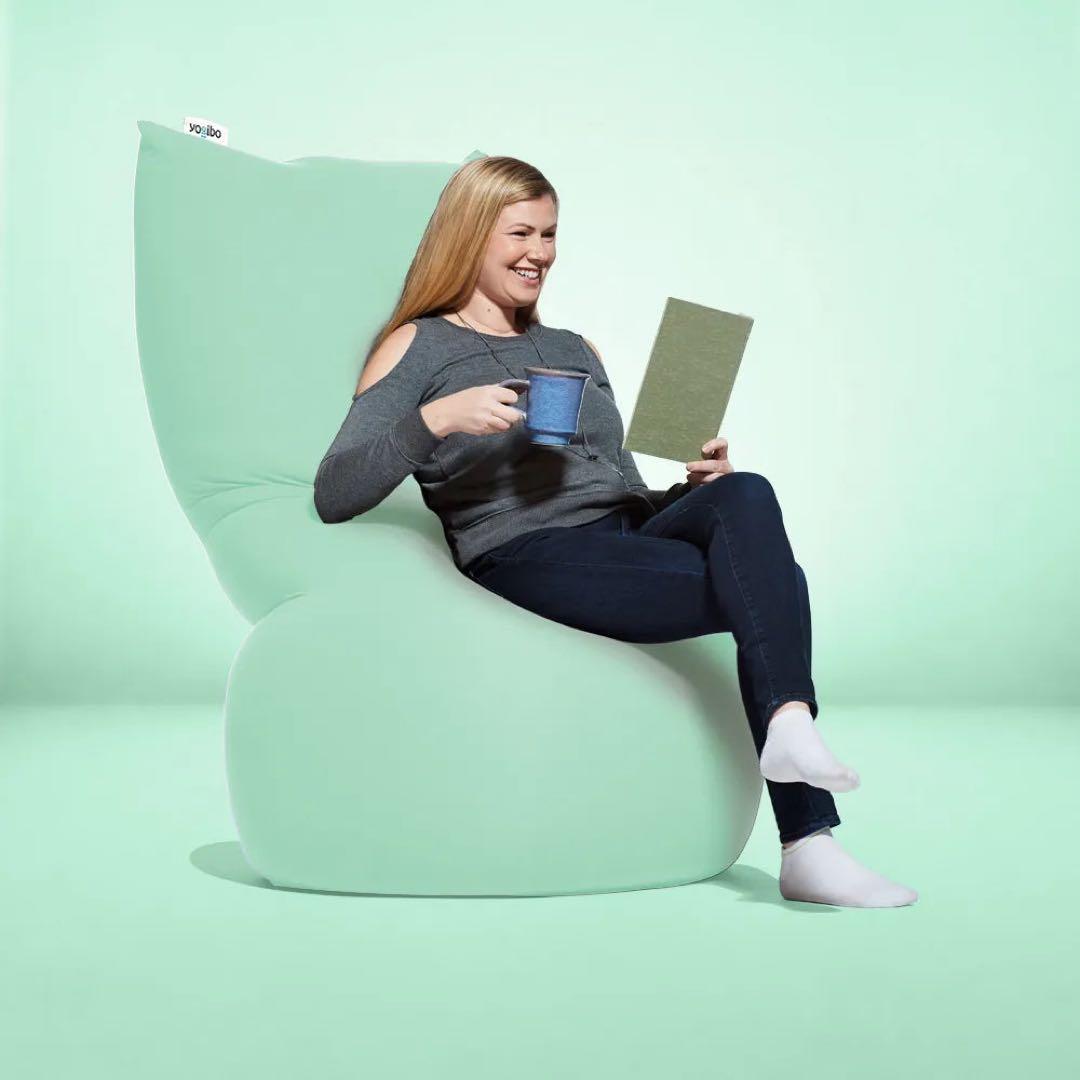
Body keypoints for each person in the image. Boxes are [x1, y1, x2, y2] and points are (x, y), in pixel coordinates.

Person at [314, 155, 918, 909]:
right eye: (521, 233)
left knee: (746, 490)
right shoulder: (418, 346)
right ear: (470, 235)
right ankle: (809, 840)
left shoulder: (576, 349)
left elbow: (618, 481)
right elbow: (335, 491)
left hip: (628, 527)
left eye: (550, 234)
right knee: (776, 586)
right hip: (526, 549)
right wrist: (436, 418)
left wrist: (695, 489)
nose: (540, 252)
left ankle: (790, 727)